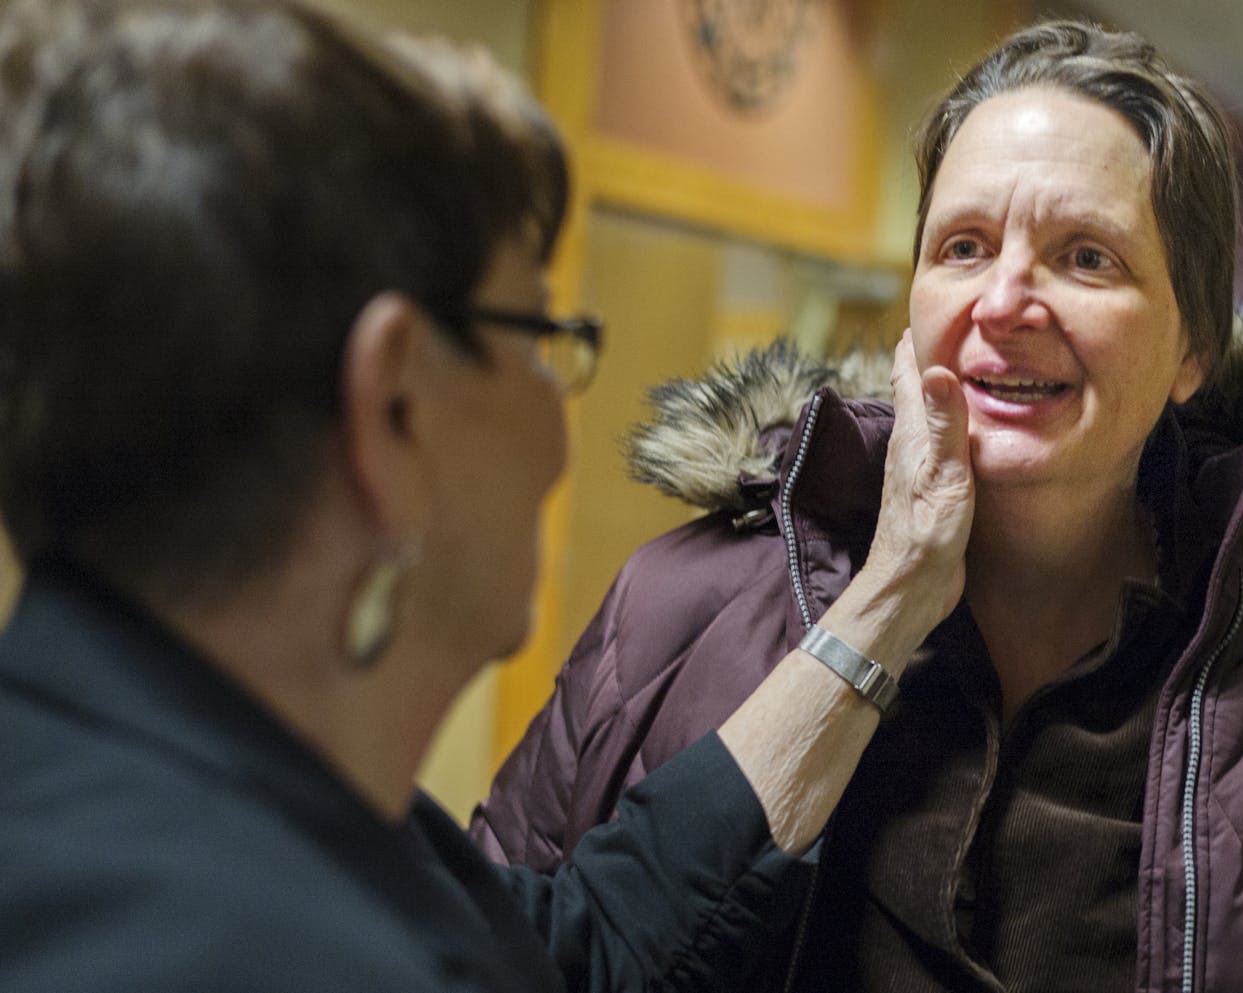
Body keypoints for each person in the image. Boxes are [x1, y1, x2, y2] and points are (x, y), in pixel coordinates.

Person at [0, 1, 974, 989]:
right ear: (398, 406)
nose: (559, 424)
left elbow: (575, 943)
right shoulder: (260, 950)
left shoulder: (220, 790)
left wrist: (888, 597)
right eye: (542, 339)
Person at [471, 19, 1243, 993]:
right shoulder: (672, 611)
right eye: (962, 247)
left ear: (1192, 352)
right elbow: (474, 956)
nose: (1005, 301)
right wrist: (892, 590)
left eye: (1085, 257)